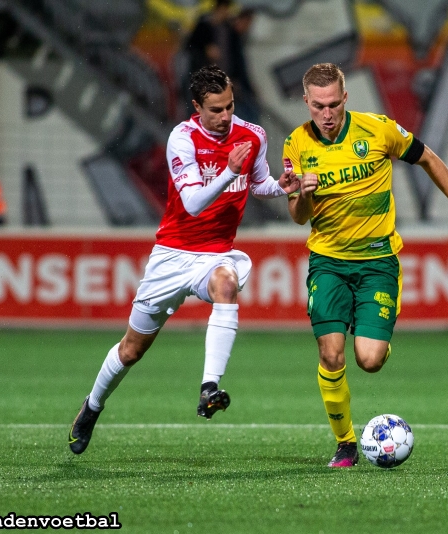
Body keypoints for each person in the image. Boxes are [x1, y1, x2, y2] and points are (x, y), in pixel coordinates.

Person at [68, 65, 300, 454]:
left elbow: (257, 184)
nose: (225, 117)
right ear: (197, 107)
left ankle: (209, 387)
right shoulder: (183, 138)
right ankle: (91, 408)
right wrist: (228, 172)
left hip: (215, 254)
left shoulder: (253, 135)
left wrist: (282, 186)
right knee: (131, 350)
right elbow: (192, 203)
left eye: (229, 106)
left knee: (227, 286)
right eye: (215, 110)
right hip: (172, 255)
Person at [284, 63, 448, 468]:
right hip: (328, 263)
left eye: (334, 104)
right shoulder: (295, 145)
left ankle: (377, 336)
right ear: (306, 102)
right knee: (331, 355)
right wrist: (303, 194)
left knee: (369, 360)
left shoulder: (379, 130)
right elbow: (298, 216)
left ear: (346, 99)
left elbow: (428, 158)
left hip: (377, 261)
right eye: (318, 106)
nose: (327, 114)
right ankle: (345, 444)